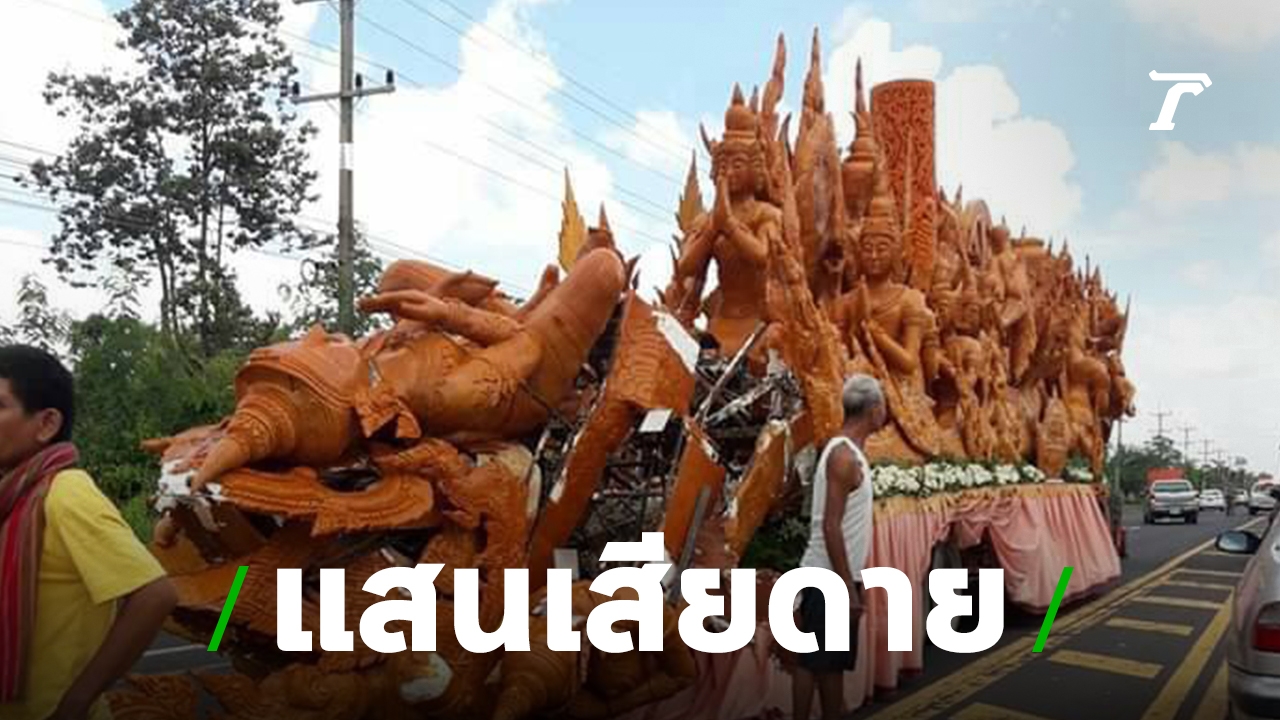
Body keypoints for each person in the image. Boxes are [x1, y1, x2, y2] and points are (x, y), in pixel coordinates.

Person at [0, 345, 177, 720]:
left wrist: (76, 702)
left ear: (47, 424)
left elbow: (155, 594)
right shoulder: (12, 500)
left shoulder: (65, 492)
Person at [792, 374, 888, 720]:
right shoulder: (844, 456)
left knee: (812, 661)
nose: (885, 413)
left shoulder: (848, 452)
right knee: (828, 666)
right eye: (883, 405)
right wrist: (847, 588)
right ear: (873, 410)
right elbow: (831, 525)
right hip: (829, 576)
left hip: (827, 574)